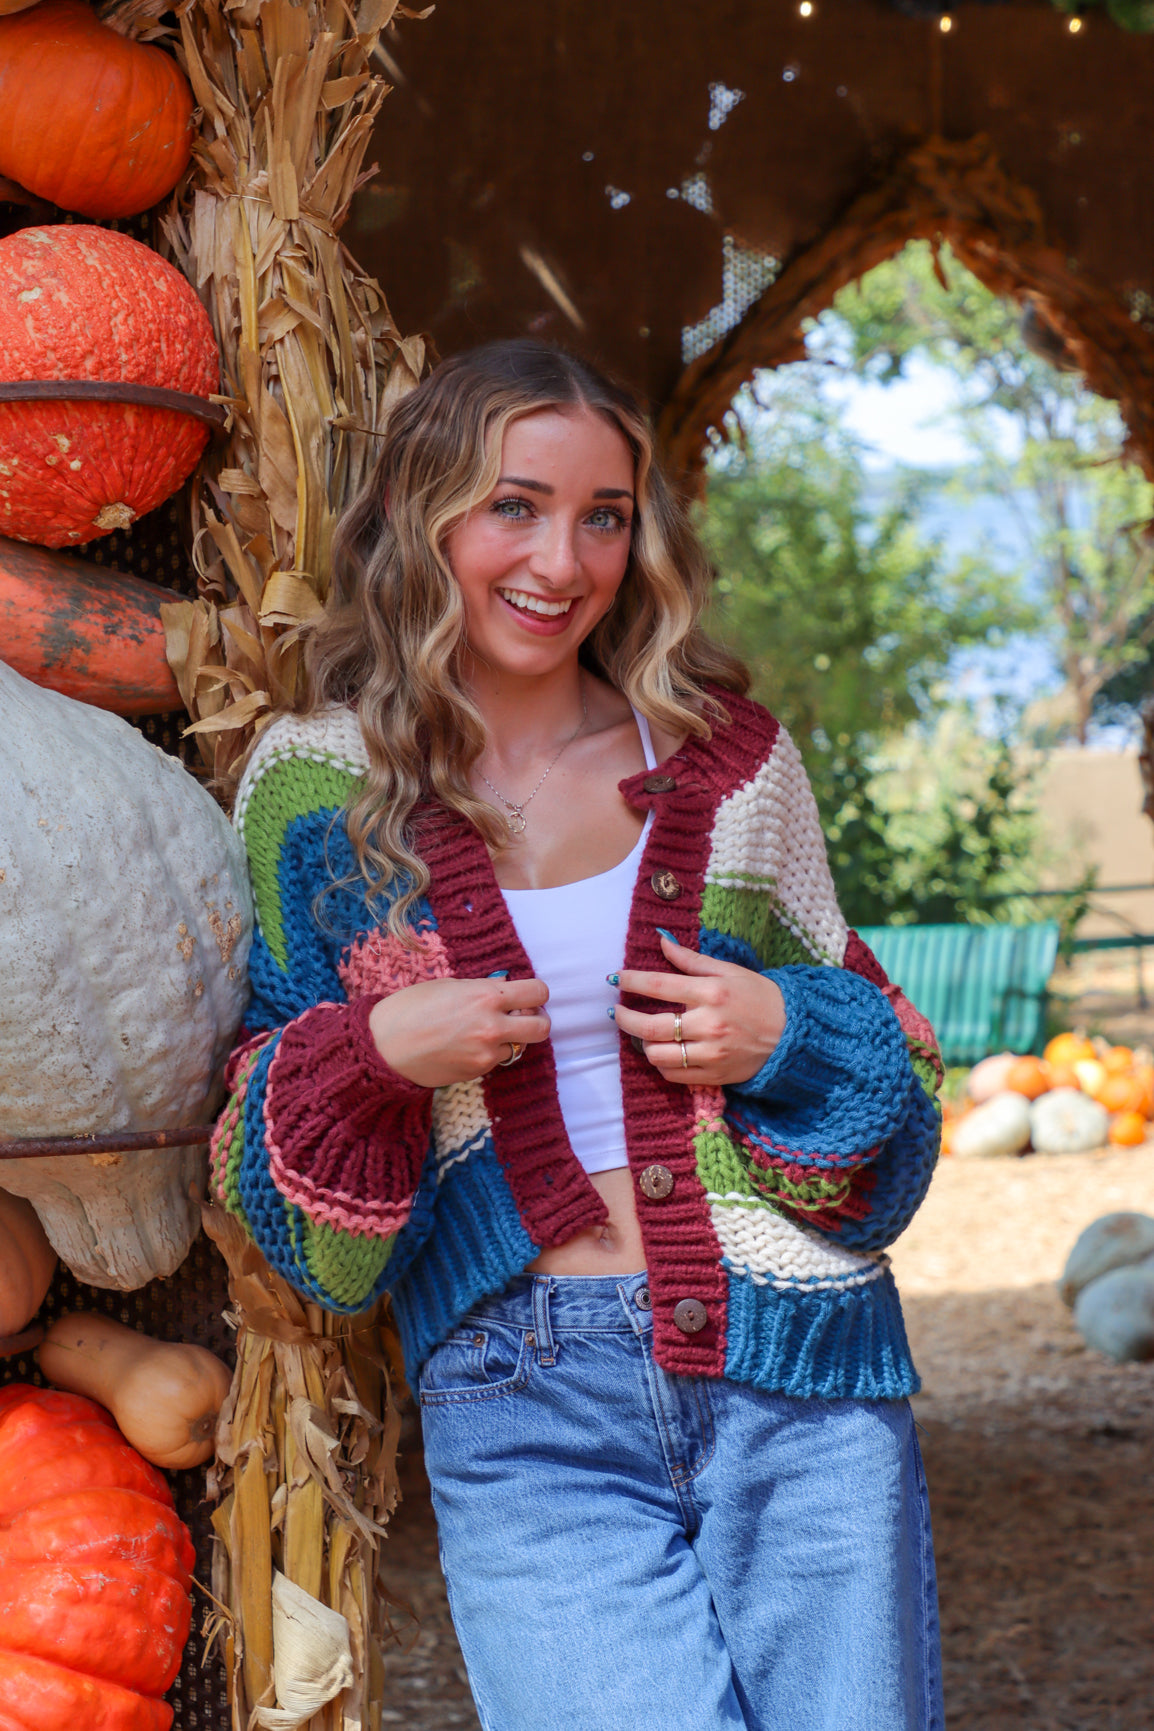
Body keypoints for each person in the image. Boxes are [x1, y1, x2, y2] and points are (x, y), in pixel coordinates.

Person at [213, 339, 944, 1731]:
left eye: (602, 515)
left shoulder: (730, 766)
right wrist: (381, 1053)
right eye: (514, 506)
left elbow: (891, 1085)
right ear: (422, 515)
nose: (563, 558)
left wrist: (782, 1028)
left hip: (794, 1363)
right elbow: (282, 1175)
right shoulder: (316, 793)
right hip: (521, 1392)